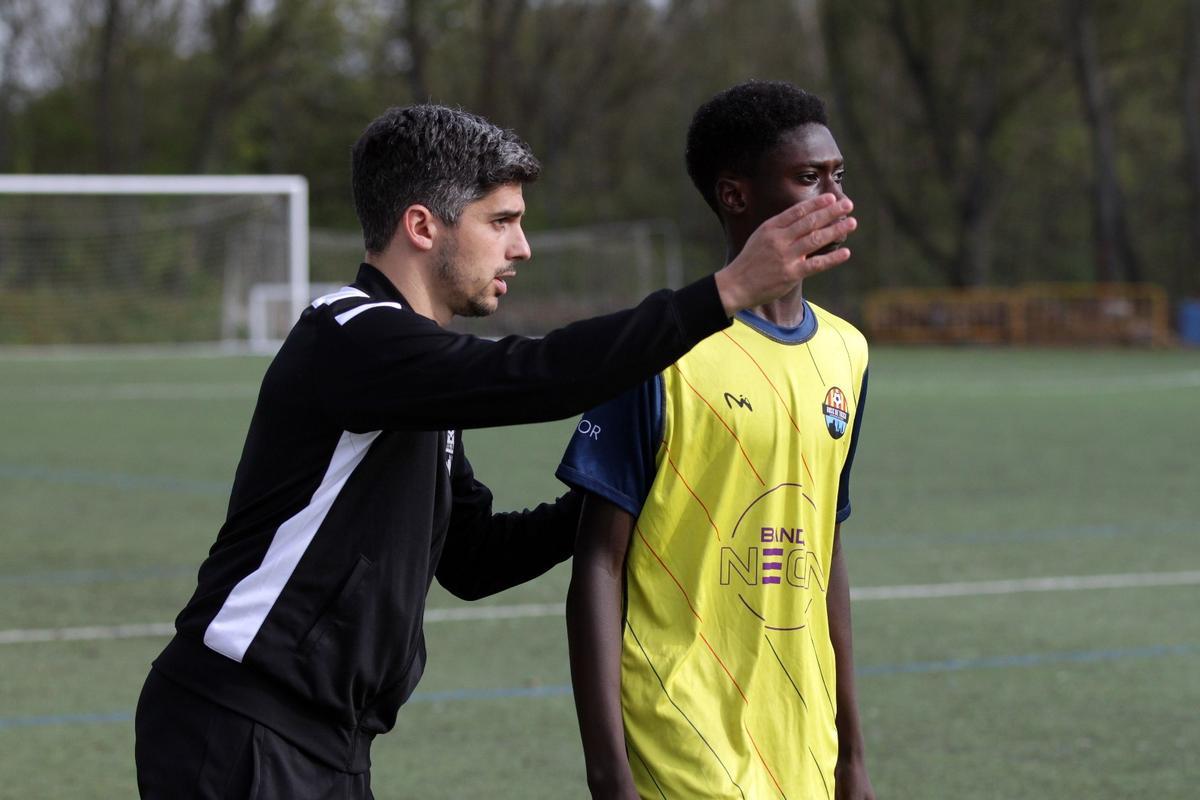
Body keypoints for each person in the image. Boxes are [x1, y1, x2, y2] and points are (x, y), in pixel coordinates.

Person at [133, 103, 856, 799]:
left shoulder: (418, 377)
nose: (522, 247)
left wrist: (629, 495)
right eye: (501, 222)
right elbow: (534, 374)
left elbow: (474, 560)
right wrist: (724, 292)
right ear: (423, 226)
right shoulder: (352, 337)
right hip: (241, 723)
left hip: (327, 743)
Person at [559, 81, 875, 799]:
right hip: (682, 735)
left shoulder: (848, 354)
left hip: (803, 741)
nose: (837, 199)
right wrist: (609, 773)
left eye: (838, 176)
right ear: (735, 196)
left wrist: (851, 754)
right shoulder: (658, 353)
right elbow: (597, 566)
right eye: (808, 179)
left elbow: (824, 546)